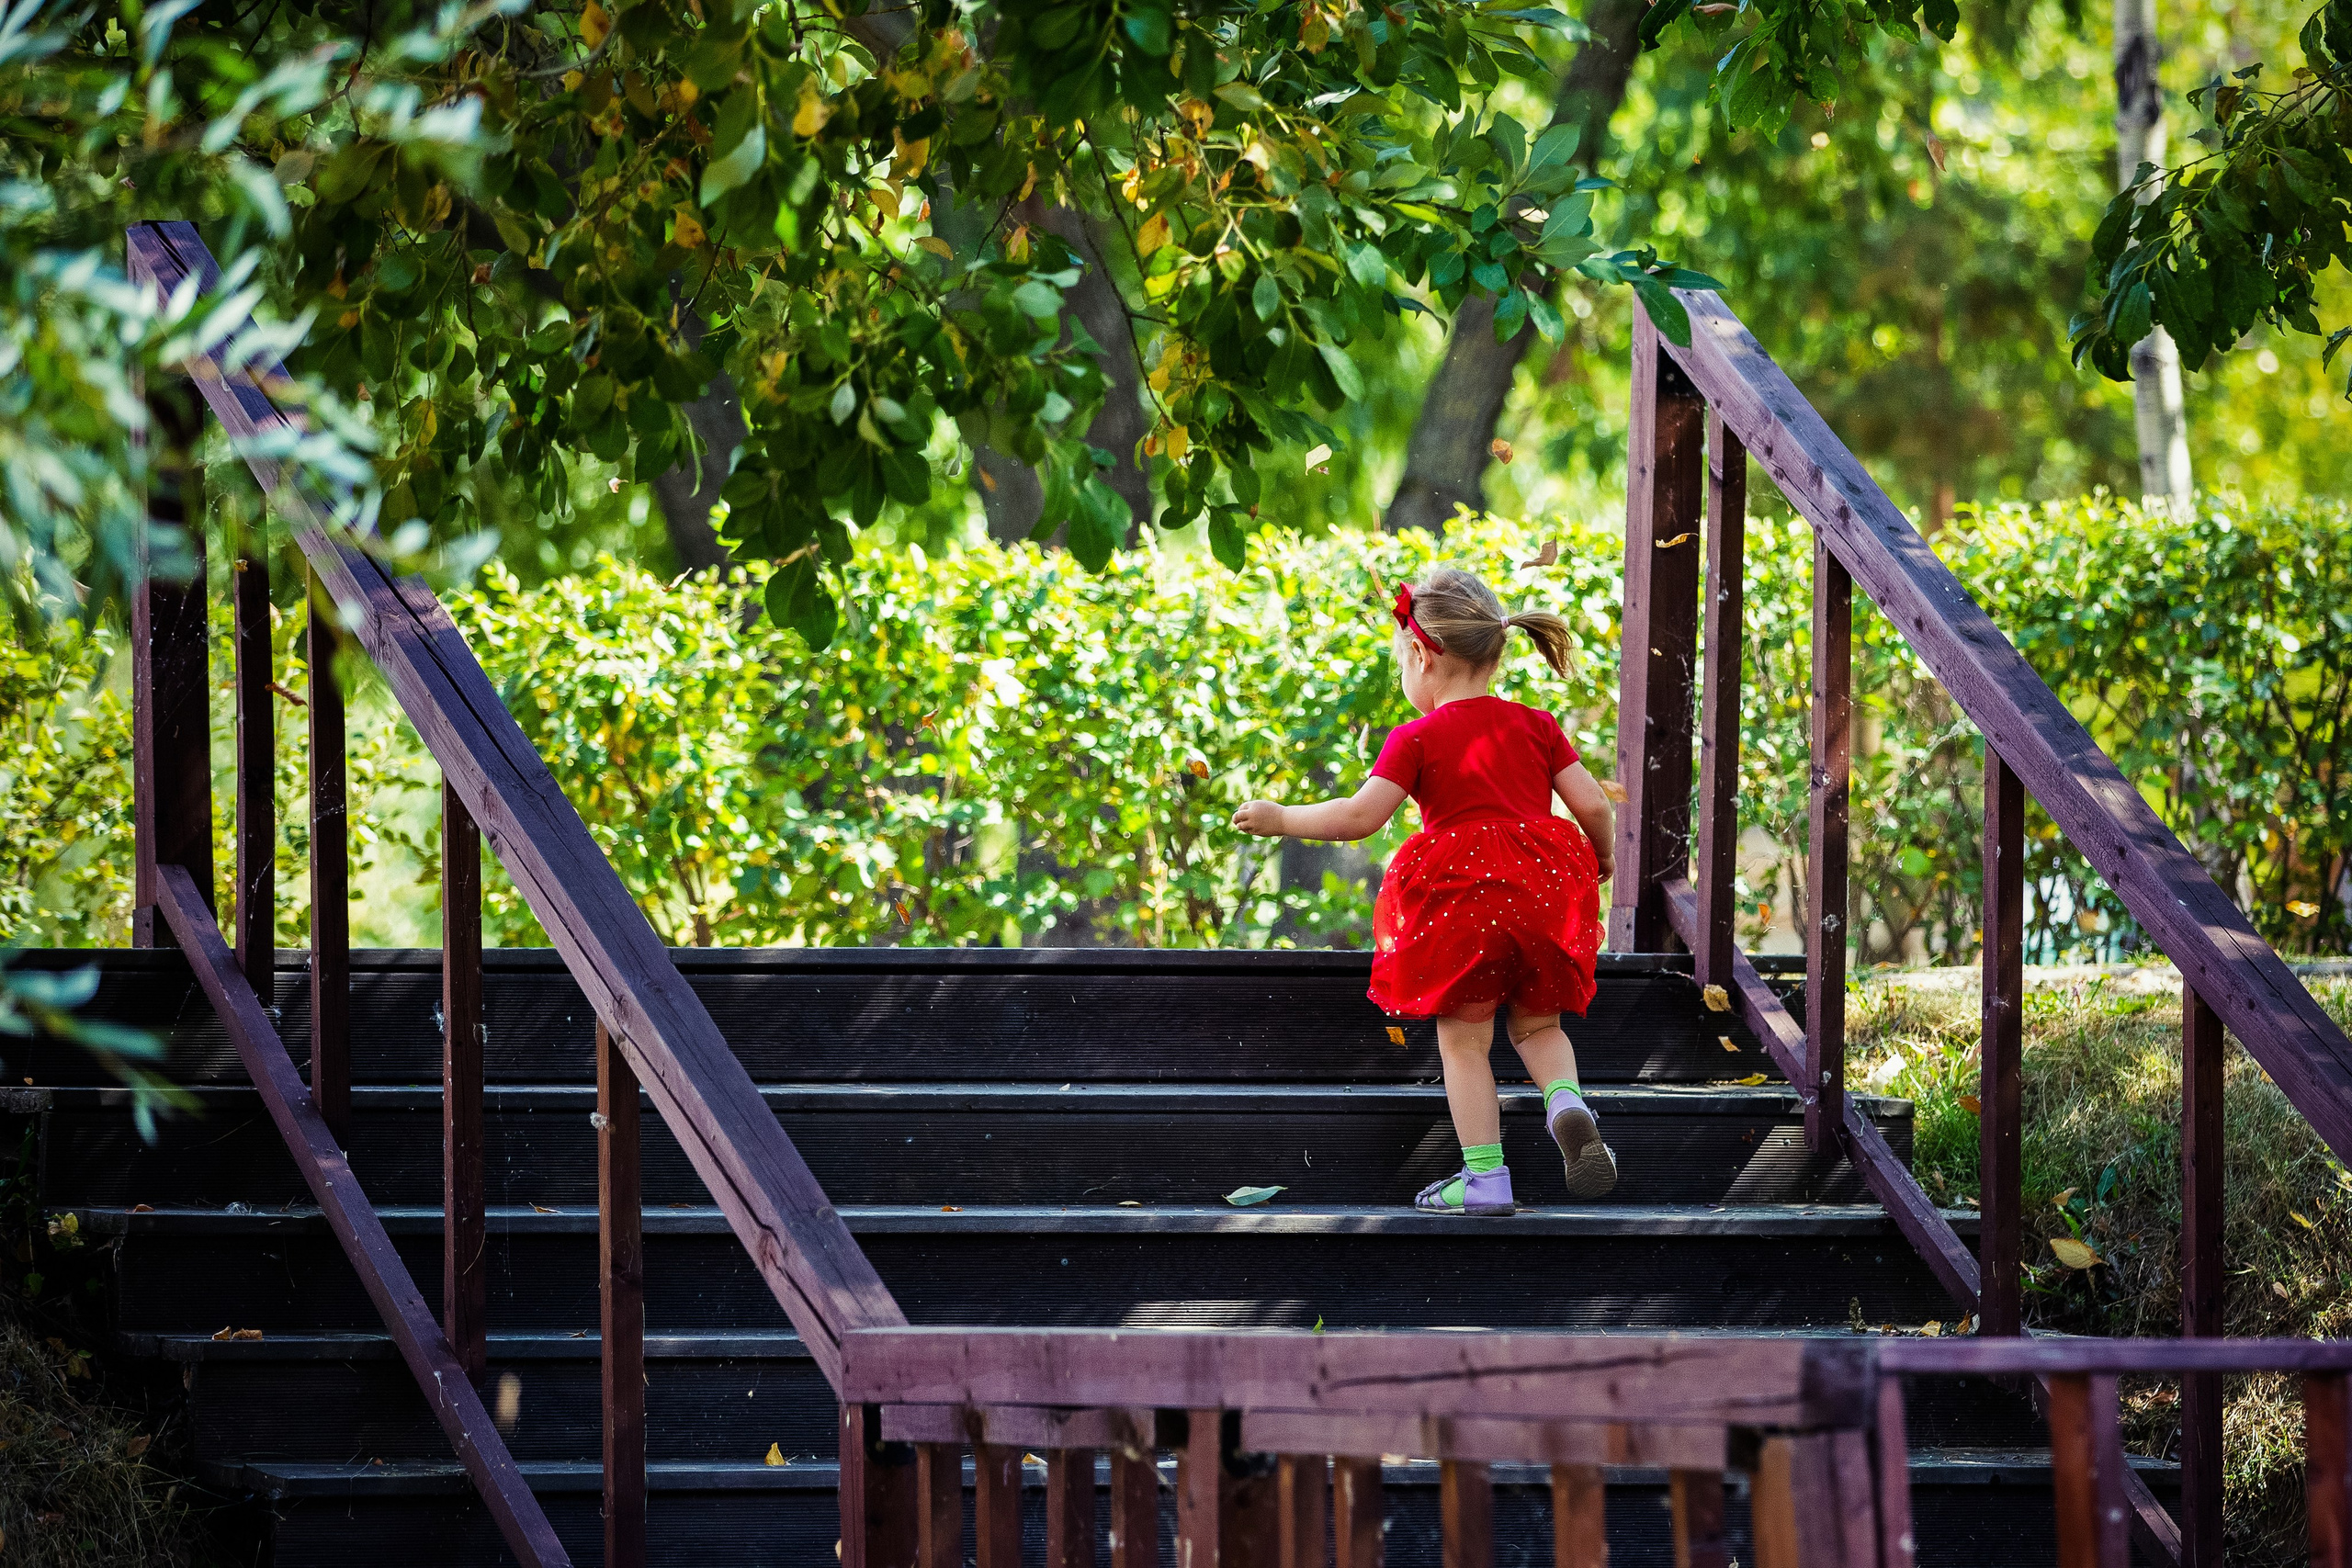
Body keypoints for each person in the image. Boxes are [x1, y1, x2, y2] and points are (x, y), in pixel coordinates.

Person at [1232, 567, 1618, 1215]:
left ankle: (1487, 1179)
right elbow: (1594, 805)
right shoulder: (1538, 725)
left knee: (1465, 1042)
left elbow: (1359, 818)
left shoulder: (1415, 738)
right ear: (1496, 649)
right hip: (1544, 889)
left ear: (1420, 654)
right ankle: (1567, 1104)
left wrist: (1280, 817)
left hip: (1465, 898)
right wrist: (1599, 860)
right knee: (1537, 1026)